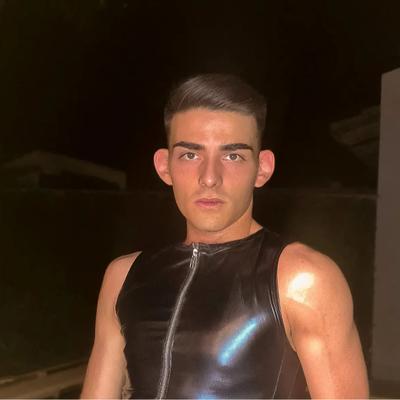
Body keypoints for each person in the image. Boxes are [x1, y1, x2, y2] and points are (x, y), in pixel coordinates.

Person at [81, 74, 369, 399]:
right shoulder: (124, 277)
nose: (209, 178)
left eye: (232, 156)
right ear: (165, 166)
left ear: (262, 168)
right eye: (190, 155)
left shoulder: (301, 278)